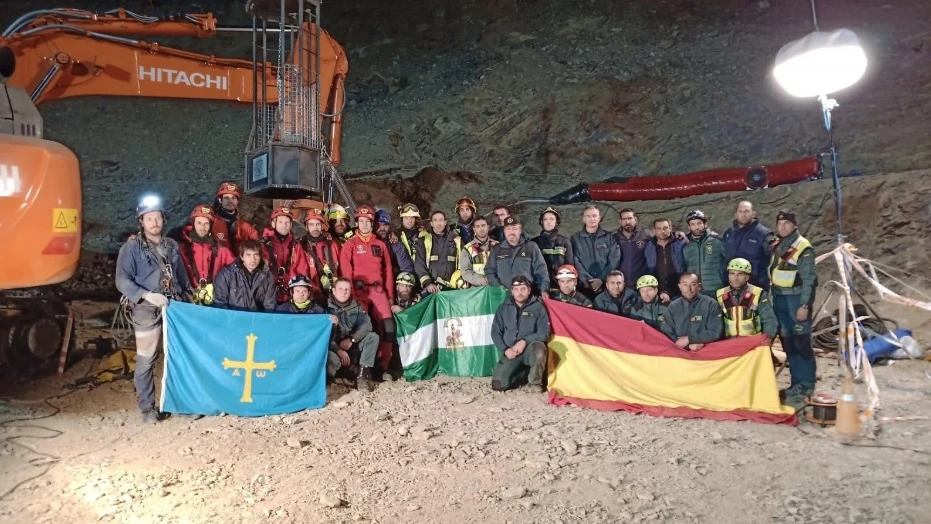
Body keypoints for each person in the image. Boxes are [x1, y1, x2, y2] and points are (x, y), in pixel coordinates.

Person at [115, 194, 192, 424]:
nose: (154, 222)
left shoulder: (171, 245)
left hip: (174, 307)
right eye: (149, 218)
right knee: (147, 358)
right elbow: (122, 279)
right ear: (142, 222)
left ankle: (177, 403)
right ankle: (148, 408)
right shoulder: (131, 248)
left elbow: (181, 276)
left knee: (177, 357)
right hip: (146, 309)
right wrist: (147, 295)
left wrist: (187, 297)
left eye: (157, 217)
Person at [339, 205, 396, 380]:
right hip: (358, 290)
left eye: (367, 221)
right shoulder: (350, 244)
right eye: (361, 221)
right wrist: (350, 294)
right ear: (356, 222)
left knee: (388, 327)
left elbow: (388, 272)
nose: (364, 225)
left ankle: (384, 366)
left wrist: (390, 297)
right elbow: (346, 270)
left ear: (373, 223)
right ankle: (359, 367)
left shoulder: (380, 244)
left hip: (378, 290)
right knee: (360, 328)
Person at [769, 210, 818, 405]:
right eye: (780, 224)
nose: (783, 227)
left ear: (794, 225)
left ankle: (807, 385)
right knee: (788, 342)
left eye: (787, 224)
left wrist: (804, 305)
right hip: (780, 299)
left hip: (796, 300)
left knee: (802, 344)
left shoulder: (802, 247)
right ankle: (796, 383)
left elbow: (809, 279)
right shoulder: (778, 245)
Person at [490, 276, 551, 392]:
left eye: (523, 289)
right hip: (512, 352)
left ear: (529, 290)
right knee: (498, 385)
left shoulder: (538, 307)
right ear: (512, 291)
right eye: (516, 289)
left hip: (530, 350)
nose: (520, 292)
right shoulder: (503, 309)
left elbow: (544, 333)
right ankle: (525, 374)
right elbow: (495, 333)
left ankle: (535, 382)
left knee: (539, 350)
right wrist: (506, 349)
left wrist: (524, 341)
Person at [174, 204, 235, 306]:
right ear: (193, 223)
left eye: (206, 223)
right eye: (199, 223)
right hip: (187, 301)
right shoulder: (180, 248)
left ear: (211, 225)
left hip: (215, 300)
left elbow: (237, 271)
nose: (203, 227)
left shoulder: (222, 250)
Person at [327, 278, 381, 391]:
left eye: (347, 289)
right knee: (332, 360)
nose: (344, 292)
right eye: (340, 289)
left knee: (372, 338)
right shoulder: (324, 307)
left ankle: (362, 377)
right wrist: (338, 350)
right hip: (332, 347)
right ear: (333, 291)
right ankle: (330, 380)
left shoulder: (356, 305)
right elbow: (321, 337)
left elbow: (367, 325)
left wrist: (352, 339)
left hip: (350, 344)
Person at [484, 216, 550, 295]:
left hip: (528, 296)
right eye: (508, 229)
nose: (511, 232)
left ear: (520, 230)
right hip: (505, 297)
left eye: (514, 229)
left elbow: (541, 270)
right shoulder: (496, 250)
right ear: (504, 231)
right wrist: (499, 288)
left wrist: (543, 290)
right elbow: (489, 271)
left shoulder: (531, 247)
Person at [716, 258, 778, 340]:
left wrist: (767, 339)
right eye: (732, 273)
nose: (735, 278)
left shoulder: (758, 293)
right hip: (728, 343)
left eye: (740, 274)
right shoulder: (720, 294)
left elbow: (769, 320)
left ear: (747, 277)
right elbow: (715, 323)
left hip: (752, 342)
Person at [661, 272, 723, 351]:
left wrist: (690, 339)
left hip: (706, 351)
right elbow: (667, 332)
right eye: (685, 285)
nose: (689, 289)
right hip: (679, 352)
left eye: (693, 284)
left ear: (699, 286)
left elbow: (715, 332)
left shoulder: (711, 304)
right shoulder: (673, 306)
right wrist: (687, 346)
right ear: (679, 287)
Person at [262, 206, 310, 304]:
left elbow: (301, 269)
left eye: (287, 222)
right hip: (268, 290)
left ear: (291, 225)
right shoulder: (264, 245)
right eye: (280, 222)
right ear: (273, 223)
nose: (284, 225)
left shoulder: (296, 246)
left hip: (290, 291)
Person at [571, 205, 621, 299]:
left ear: (599, 218)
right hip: (584, 287)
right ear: (584, 219)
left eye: (594, 216)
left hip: (606, 286)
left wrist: (602, 279)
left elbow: (614, 259)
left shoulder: (609, 237)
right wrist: (586, 280)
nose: (591, 219)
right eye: (588, 216)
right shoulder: (575, 239)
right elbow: (575, 260)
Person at [722, 201, 775, 290]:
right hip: (731, 287)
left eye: (747, 211)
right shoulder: (728, 233)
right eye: (740, 211)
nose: (743, 214)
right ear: (736, 214)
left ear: (753, 213)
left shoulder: (764, 234)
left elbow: (773, 259)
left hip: (756, 287)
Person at [213, 239, 277, 312]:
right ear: (242, 256)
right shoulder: (226, 275)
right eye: (248, 255)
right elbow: (220, 304)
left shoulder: (267, 276)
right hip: (233, 320)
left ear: (260, 256)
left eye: (256, 255)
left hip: (257, 320)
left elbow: (269, 305)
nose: (253, 259)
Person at [300, 208, 341, 308]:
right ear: (306, 226)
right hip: (312, 294)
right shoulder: (301, 246)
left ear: (322, 225)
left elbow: (341, 266)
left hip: (334, 292)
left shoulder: (332, 244)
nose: (315, 228)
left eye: (318, 224)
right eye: (311, 224)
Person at [414, 210, 461, 294]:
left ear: (445, 222)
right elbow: (419, 264)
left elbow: (463, 264)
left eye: (441, 220)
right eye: (435, 220)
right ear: (431, 223)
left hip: (452, 289)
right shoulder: (424, 241)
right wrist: (428, 283)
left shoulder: (457, 240)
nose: (438, 223)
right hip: (431, 288)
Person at [682, 209, 726, 297]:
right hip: (696, 291)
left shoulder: (718, 241)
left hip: (717, 290)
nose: (696, 227)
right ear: (689, 227)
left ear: (705, 224)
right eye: (693, 224)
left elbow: (728, 261)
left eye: (699, 223)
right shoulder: (685, 246)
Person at [532, 206, 574, 294]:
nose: (549, 222)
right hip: (539, 288)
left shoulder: (565, 242)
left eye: (552, 219)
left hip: (560, 288)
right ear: (541, 222)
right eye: (545, 219)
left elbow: (570, 266)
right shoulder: (534, 243)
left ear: (556, 222)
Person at [644, 217, 686, 305]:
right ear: (654, 230)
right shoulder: (648, 246)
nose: (662, 231)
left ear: (670, 228)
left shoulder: (680, 242)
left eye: (665, 228)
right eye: (658, 228)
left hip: (679, 290)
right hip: (658, 291)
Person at [212, 181, 259, 254]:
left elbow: (258, 245)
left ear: (237, 201)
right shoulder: (211, 224)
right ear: (220, 200)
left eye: (233, 198)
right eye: (226, 198)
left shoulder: (246, 227)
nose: (230, 201)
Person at [615, 207, 652, 285]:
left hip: (642, 282)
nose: (627, 221)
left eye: (630, 218)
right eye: (624, 219)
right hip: (621, 282)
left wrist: (676, 233)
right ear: (620, 221)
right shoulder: (614, 238)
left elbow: (662, 237)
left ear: (635, 219)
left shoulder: (646, 235)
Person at [459, 215, 497, 287]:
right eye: (478, 226)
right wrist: (480, 279)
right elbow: (465, 271)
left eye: (483, 225)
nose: (481, 229)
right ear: (474, 229)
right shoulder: (467, 249)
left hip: (496, 287)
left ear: (488, 227)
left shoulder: (497, 246)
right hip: (477, 290)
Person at [374, 208, 415, 276]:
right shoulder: (367, 243)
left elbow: (406, 267)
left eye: (385, 225)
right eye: (379, 225)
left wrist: (404, 282)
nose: (382, 228)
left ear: (389, 226)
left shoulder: (395, 244)